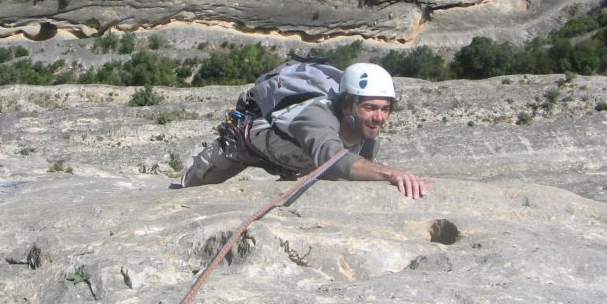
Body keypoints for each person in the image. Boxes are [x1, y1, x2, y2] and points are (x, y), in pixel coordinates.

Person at [178, 63, 431, 198]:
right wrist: (390, 173)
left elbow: (351, 167)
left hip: (291, 162)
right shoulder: (316, 116)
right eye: (371, 108)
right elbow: (332, 160)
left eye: (385, 109)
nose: (379, 117)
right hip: (242, 147)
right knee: (191, 188)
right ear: (348, 104)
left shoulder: (367, 140)